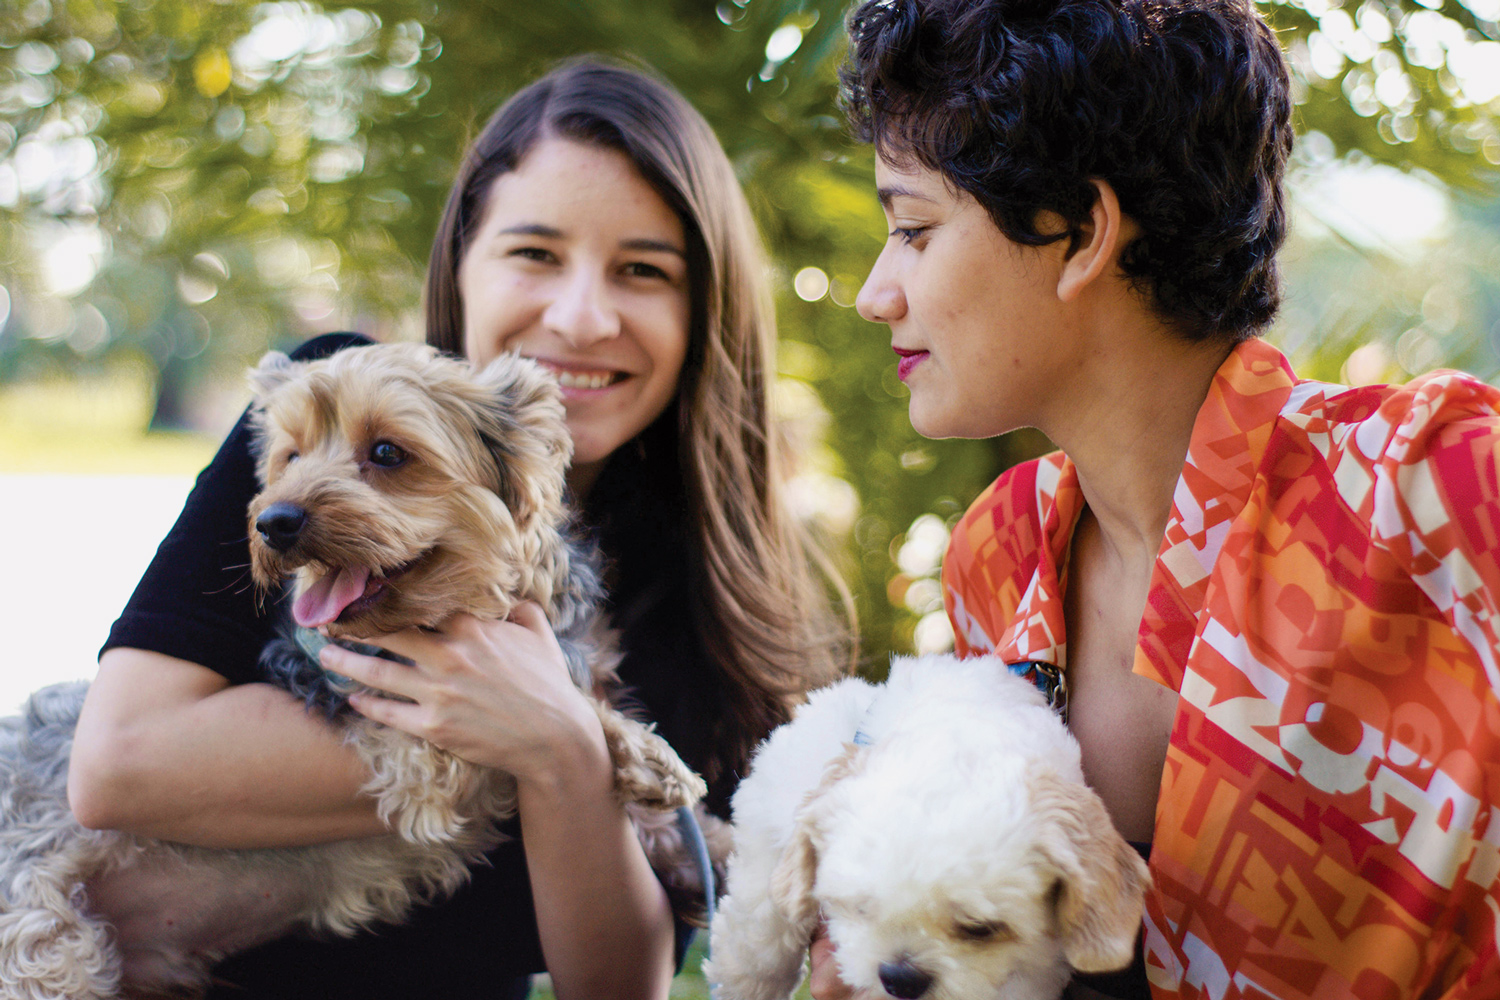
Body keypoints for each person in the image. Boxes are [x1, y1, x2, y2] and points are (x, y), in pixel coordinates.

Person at [67, 57, 849, 1000]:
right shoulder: (321, 402)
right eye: (534, 253)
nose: (582, 315)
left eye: (643, 270)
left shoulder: (703, 598)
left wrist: (561, 749)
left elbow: (621, 984)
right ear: (463, 265)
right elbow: (115, 769)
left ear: (704, 308)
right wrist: (539, 744)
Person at [817, 0, 1500, 998]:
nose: (879, 291)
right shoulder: (996, 555)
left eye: (914, 228)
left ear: (1081, 231)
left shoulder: (1433, 487)